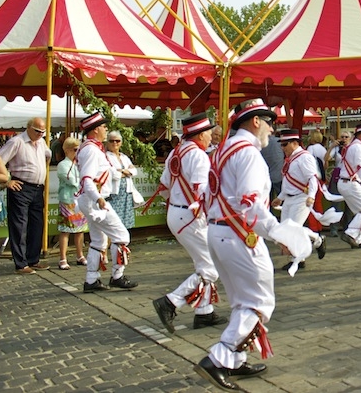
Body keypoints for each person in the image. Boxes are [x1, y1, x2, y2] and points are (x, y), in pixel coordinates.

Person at [195, 98, 301, 389]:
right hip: (240, 235)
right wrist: (279, 234)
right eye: (269, 122)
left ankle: (236, 360)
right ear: (255, 121)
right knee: (258, 303)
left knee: (242, 301)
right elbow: (252, 205)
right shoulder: (249, 154)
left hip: (218, 232)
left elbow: (205, 194)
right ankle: (220, 357)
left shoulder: (221, 150)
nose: (270, 129)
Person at [153, 113, 227, 333]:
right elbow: (201, 191)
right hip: (192, 215)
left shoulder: (176, 153)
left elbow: (163, 187)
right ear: (200, 134)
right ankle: (170, 302)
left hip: (177, 213)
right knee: (212, 267)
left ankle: (204, 313)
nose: (211, 137)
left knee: (203, 263)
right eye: (208, 133)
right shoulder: (199, 156)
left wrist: (177, 203)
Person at [75, 112, 138, 292]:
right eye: (103, 127)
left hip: (92, 201)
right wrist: (99, 199)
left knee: (98, 240)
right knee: (122, 236)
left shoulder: (92, 148)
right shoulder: (92, 150)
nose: (106, 130)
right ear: (95, 130)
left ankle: (91, 280)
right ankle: (117, 276)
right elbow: (87, 179)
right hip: (96, 201)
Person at [0, 117, 51, 274]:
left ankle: (32, 259)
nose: (40, 134)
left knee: (36, 224)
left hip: (37, 188)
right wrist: (7, 180)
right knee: (19, 225)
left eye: (43, 132)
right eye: (37, 131)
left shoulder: (41, 142)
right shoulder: (17, 142)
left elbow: (48, 154)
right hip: (21, 186)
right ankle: (21, 264)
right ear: (29, 128)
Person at [271, 129, 326, 270]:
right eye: (281, 145)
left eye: (285, 144)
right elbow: (288, 182)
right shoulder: (290, 159)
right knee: (285, 230)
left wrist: (311, 196)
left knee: (293, 228)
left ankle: (300, 256)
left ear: (295, 143)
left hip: (301, 198)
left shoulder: (304, 157)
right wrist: (280, 197)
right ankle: (314, 242)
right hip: (289, 199)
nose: (282, 148)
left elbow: (312, 178)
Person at [57, 137, 88, 270]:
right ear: (68, 150)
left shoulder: (79, 164)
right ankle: (62, 258)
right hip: (68, 201)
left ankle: (80, 255)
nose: (78, 152)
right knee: (66, 230)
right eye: (76, 150)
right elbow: (73, 181)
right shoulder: (63, 165)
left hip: (79, 200)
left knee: (80, 230)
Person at [105, 131, 139, 231]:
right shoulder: (105, 156)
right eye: (112, 141)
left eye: (117, 141)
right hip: (113, 194)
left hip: (127, 193)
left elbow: (134, 171)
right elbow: (113, 174)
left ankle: (123, 244)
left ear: (121, 142)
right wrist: (127, 172)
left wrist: (123, 171)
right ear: (107, 142)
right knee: (113, 222)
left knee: (126, 222)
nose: (115, 143)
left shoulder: (124, 157)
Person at [260, 129, 284, 203]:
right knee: (282, 197)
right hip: (278, 174)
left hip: (266, 174)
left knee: (266, 198)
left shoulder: (262, 143)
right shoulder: (279, 142)